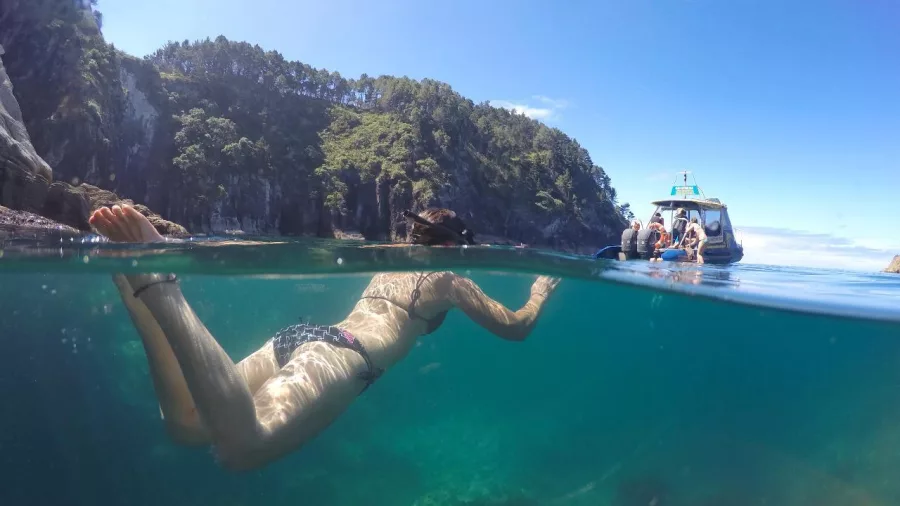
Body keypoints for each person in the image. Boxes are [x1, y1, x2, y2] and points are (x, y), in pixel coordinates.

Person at [89, 204, 561, 472]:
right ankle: (161, 289)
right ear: (456, 245)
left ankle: (140, 299)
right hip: (342, 358)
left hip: (305, 338)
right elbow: (515, 327)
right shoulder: (448, 278)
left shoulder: (391, 258)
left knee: (189, 425)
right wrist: (539, 293)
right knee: (243, 447)